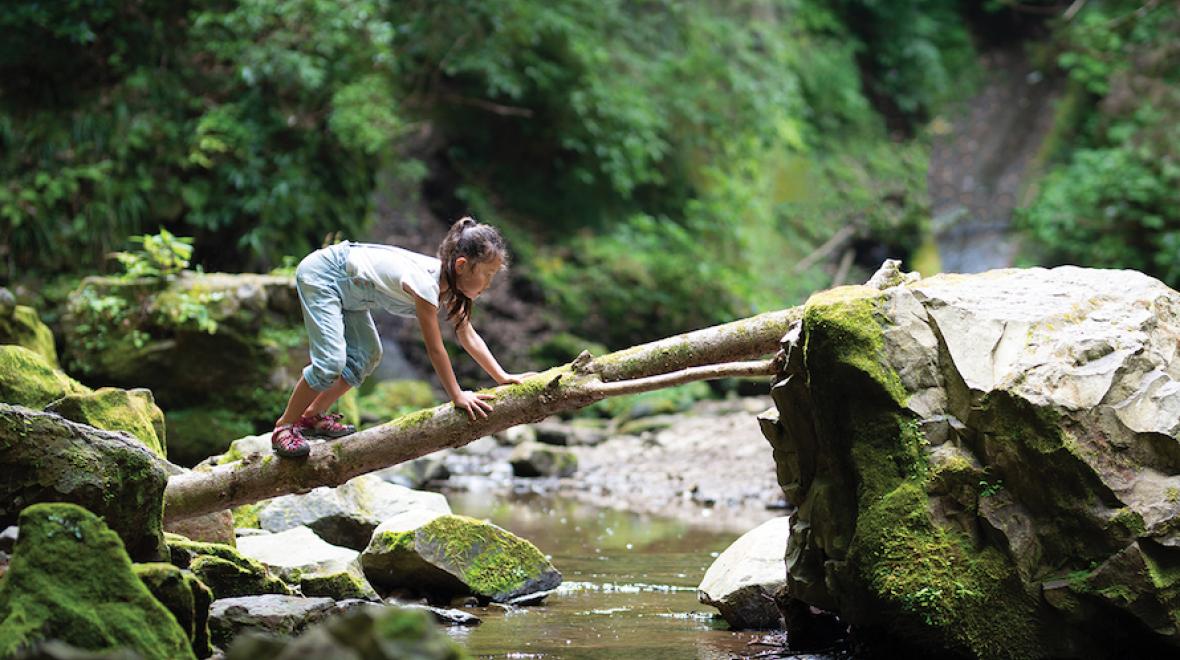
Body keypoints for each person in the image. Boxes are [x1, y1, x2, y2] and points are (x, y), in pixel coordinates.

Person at [270, 217, 531, 458]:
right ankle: (284, 427)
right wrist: (457, 395)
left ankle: (312, 416)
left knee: (367, 355)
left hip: (351, 292)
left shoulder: (452, 288)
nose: (489, 283)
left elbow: (469, 336)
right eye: (488, 274)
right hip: (325, 274)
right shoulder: (426, 284)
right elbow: (435, 348)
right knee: (330, 362)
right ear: (462, 265)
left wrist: (502, 377)